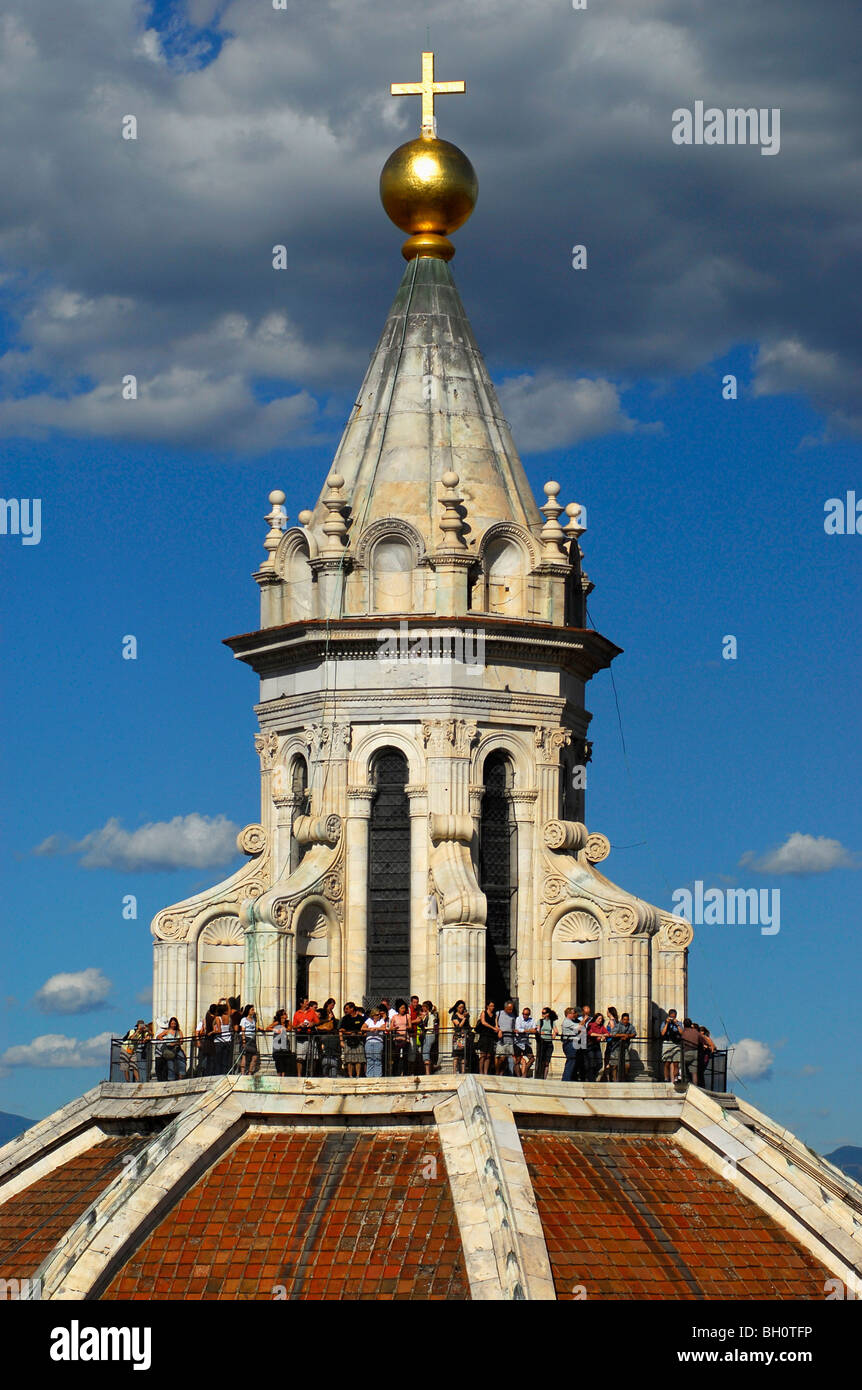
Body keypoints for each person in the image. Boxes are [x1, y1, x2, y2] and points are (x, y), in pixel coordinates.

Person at [292, 998, 319, 1078]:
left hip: (311, 1036)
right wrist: (299, 1025)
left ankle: (311, 1074)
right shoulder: (297, 1013)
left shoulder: (312, 1012)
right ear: (301, 1003)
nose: (308, 1003)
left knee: (313, 1057)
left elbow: (317, 1022)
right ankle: (299, 1075)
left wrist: (312, 1023)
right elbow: (294, 1026)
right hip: (301, 1037)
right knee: (300, 1057)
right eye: (306, 1001)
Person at [339, 1002, 366, 1079]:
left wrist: (358, 1033)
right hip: (348, 1040)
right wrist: (349, 1033)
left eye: (347, 1009)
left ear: (352, 1008)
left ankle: (357, 1075)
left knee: (358, 1059)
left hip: (358, 1040)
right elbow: (342, 1029)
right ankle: (350, 1075)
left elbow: (364, 1028)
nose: (346, 1010)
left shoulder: (360, 1018)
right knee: (349, 1060)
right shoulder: (345, 1018)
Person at [560, 1008, 587, 1081]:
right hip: (569, 1043)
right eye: (573, 1013)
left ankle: (571, 1078)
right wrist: (584, 1019)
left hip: (573, 1042)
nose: (575, 1014)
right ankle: (566, 1079)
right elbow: (579, 1028)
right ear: (568, 1014)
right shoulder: (567, 1022)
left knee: (574, 1061)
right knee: (571, 1060)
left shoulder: (572, 1021)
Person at [316, 998, 340, 1078]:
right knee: (324, 1051)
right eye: (332, 1005)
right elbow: (319, 1021)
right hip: (324, 1034)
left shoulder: (331, 1012)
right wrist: (328, 1019)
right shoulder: (323, 1011)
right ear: (328, 1004)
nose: (333, 1007)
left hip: (331, 1033)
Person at [362, 1007, 388, 1078]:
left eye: (379, 1014)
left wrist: (376, 1028)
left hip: (378, 1042)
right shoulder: (369, 1020)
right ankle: (369, 1076)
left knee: (377, 1059)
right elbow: (362, 1028)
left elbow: (384, 1028)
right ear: (373, 1015)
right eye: (377, 1014)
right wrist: (370, 1029)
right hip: (369, 1041)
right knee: (369, 1059)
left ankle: (377, 1076)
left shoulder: (381, 1021)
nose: (378, 1016)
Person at [476, 1001, 498, 1075]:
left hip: (491, 1036)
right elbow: (483, 1022)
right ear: (487, 1006)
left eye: (493, 1006)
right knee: (483, 1055)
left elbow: (496, 1024)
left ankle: (485, 1072)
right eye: (491, 1006)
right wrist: (492, 1028)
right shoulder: (484, 1013)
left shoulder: (495, 1015)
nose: (492, 1007)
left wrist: (498, 1029)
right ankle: (481, 1072)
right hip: (484, 1035)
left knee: (488, 1055)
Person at [389, 1001, 411, 1076]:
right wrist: (395, 1028)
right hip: (397, 1038)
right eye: (402, 1008)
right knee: (396, 1057)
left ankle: (405, 1073)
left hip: (405, 1038)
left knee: (405, 1057)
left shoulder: (407, 1016)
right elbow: (391, 1028)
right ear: (398, 1008)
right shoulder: (394, 1017)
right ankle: (395, 1073)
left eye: (404, 1008)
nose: (403, 1009)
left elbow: (410, 1026)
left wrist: (404, 1027)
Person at [514, 1007, 536, 1078]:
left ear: (529, 1014)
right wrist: (528, 1030)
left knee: (532, 1058)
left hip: (525, 1042)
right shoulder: (518, 1019)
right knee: (517, 1060)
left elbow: (534, 1030)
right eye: (523, 1014)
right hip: (517, 1042)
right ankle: (518, 1076)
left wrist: (524, 1031)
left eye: (526, 1014)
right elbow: (518, 1029)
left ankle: (525, 1072)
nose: (524, 1015)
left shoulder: (531, 1020)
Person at [237, 1004, 259, 1075]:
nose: (253, 1011)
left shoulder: (253, 1020)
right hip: (246, 1038)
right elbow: (243, 1030)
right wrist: (243, 1041)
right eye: (252, 1010)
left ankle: (250, 1072)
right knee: (244, 1055)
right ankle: (243, 1073)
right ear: (248, 1011)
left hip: (252, 1039)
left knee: (255, 1056)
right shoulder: (244, 1019)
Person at [661, 1009, 682, 1082]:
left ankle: (675, 1078)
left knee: (676, 1063)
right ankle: (666, 1078)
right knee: (667, 1062)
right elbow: (663, 1033)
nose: (673, 1018)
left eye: (674, 1017)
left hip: (676, 1044)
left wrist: (677, 1024)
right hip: (667, 1043)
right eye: (671, 1017)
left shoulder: (679, 1023)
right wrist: (667, 1023)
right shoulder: (664, 1023)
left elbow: (682, 1032)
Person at [586, 1012, 608, 1081]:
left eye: (601, 1019)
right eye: (599, 1018)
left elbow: (607, 1033)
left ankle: (593, 1076)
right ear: (595, 1019)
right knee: (591, 1062)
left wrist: (604, 1036)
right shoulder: (591, 1025)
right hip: (590, 1045)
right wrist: (600, 1035)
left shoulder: (601, 1026)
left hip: (597, 1045)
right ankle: (590, 1078)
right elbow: (591, 1034)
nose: (600, 1020)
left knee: (600, 1063)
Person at [679, 1017, 702, 1084]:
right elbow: (703, 1039)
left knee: (680, 1064)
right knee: (694, 1072)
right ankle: (695, 1085)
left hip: (687, 1051)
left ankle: (681, 1079)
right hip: (695, 1052)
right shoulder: (696, 1032)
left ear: (684, 1024)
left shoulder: (684, 1032)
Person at [536, 1008, 558, 1079]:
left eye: (544, 1013)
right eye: (542, 1013)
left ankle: (544, 1077)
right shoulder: (540, 1021)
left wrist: (554, 1033)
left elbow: (556, 1030)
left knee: (547, 1062)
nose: (542, 1014)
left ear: (548, 1014)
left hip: (549, 1043)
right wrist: (541, 1032)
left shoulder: (552, 1022)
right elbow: (537, 1030)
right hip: (542, 1042)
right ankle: (539, 1076)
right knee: (541, 1060)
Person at [450, 1000, 470, 1074]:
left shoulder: (465, 1015)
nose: (461, 1009)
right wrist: (464, 1018)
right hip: (458, 1037)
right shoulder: (454, 1016)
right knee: (456, 1056)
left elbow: (467, 1026)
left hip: (465, 1036)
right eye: (460, 1007)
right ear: (457, 1007)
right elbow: (459, 1026)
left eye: (462, 1007)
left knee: (463, 1056)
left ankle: (463, 1071)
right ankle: (454, 1071)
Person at [269, 1009, 291, 1077]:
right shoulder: (277, 1022)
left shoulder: (288, 1022)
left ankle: (283, 1076)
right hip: (277, 1044)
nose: (286, 1015)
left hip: (284, 1043)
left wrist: (283, 1028)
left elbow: (290, 1028)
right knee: (278, 1061)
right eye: (285, 1014)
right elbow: (268, 1027)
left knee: (285, 1060)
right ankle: (279, 1075)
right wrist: (276, 1030)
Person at [214, 1002, 234, 1074]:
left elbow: (219, 1031)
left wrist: (212, 1032)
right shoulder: (228, 1017)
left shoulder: (218, 1018)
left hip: (219, 1041)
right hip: (228, 1040)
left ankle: (218, 1074)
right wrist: (227, 1001)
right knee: (226, 1060)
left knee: (218, 1060)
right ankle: (225, 1073)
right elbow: (229, 1009)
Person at [419, 1001, 437, 1075]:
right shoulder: (426, 1016)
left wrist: (425, 1028)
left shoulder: (431, 1016)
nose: (422, 1008)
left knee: (426, 1052)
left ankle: (427, 1072)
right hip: (426, 1035)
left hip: (429, 1035)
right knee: (426, 1052)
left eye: (424, 1006)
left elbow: (432, 1027)